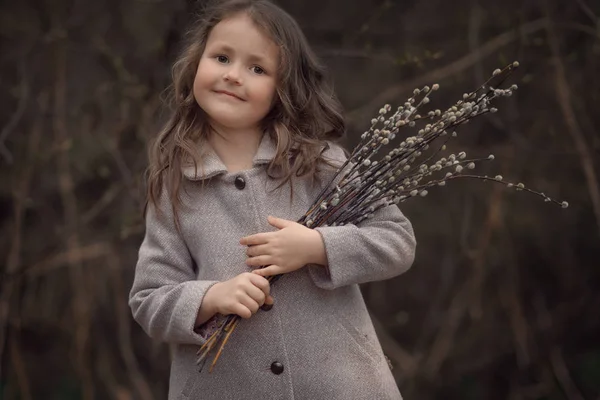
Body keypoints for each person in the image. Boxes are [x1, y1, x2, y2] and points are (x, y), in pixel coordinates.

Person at [128, 0, 417, 399]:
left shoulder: (319, 163)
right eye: (222, 57)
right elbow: (149, 298)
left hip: (341, 386)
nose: (233, 75)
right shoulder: (174, 184)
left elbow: (396, 240)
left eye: (257, 68)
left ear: (284, 89)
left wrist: (317, 247)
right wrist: (210, 297)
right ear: (196, 63)